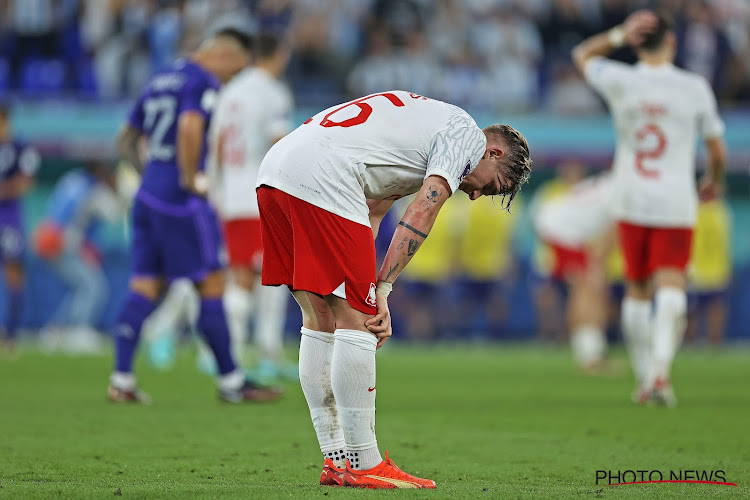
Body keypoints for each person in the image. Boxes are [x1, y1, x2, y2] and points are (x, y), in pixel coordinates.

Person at [256, 91, 531, 488]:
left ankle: (336, 460)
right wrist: (381, 290)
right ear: (494, 153)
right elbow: (423, 211)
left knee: (319, 316)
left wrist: (371, 286)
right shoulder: (466, 138)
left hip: (277, 171)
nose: (473, 195)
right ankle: (365, 461)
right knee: (357, 318)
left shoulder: (424, 128)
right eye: (489, 188)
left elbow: (372, 209)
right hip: (324, 173)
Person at [108, 28, 279, 404]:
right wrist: (188, 179)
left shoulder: (160, 77)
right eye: (234, 71)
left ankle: (121, 381)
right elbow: (189, 125)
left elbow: (124, 138)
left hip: (148, 195)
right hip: (183, 200)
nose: (230, 79)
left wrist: (151, 176)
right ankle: (232, 383)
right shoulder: (201, 80)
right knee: (212, 284)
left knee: (145, 286)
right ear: (225, 55)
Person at [573, 10, 727, 406]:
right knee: (672, 282)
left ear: (639, 43)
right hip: (676, 199)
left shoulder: (621, 80)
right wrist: (713, 179)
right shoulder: (694, 87)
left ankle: (644, 377)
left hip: (631, 198)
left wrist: (620, 34)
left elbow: (582, 55)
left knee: (637, 288)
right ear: (673, 44)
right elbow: (716, 148)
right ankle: (660, 372)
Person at [207, 33, 296, 381]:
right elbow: (279, 147)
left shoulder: (229, 91)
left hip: (229, 193)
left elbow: (215, 144)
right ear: (281, 53)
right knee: (264, 275)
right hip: (259, 193)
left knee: (243, 272)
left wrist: (215, 189)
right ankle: (249, 351)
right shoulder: (273, 93)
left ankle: (247, 349)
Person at [34, 162, 122, 353]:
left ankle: (55, 330)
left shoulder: (72, 178)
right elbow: (113, 214)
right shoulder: (91, 189)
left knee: (82, 287)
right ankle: (78, 330)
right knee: (92, 286)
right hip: (61, 242)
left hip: (50, 237)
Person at [534, 172, 616, 371]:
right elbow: (613, 234)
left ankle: (591, 351)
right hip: (562, 231)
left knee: (590, 289)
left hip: (564, 229)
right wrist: (597, 266)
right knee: (586, 289)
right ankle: (588, 355)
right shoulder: (625, 192)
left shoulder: (613, 183)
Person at [0, 104, 40, 350]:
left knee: (14, 273)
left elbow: (26, 182)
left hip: (9, 217)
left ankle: (11, 334)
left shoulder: (20, 149)